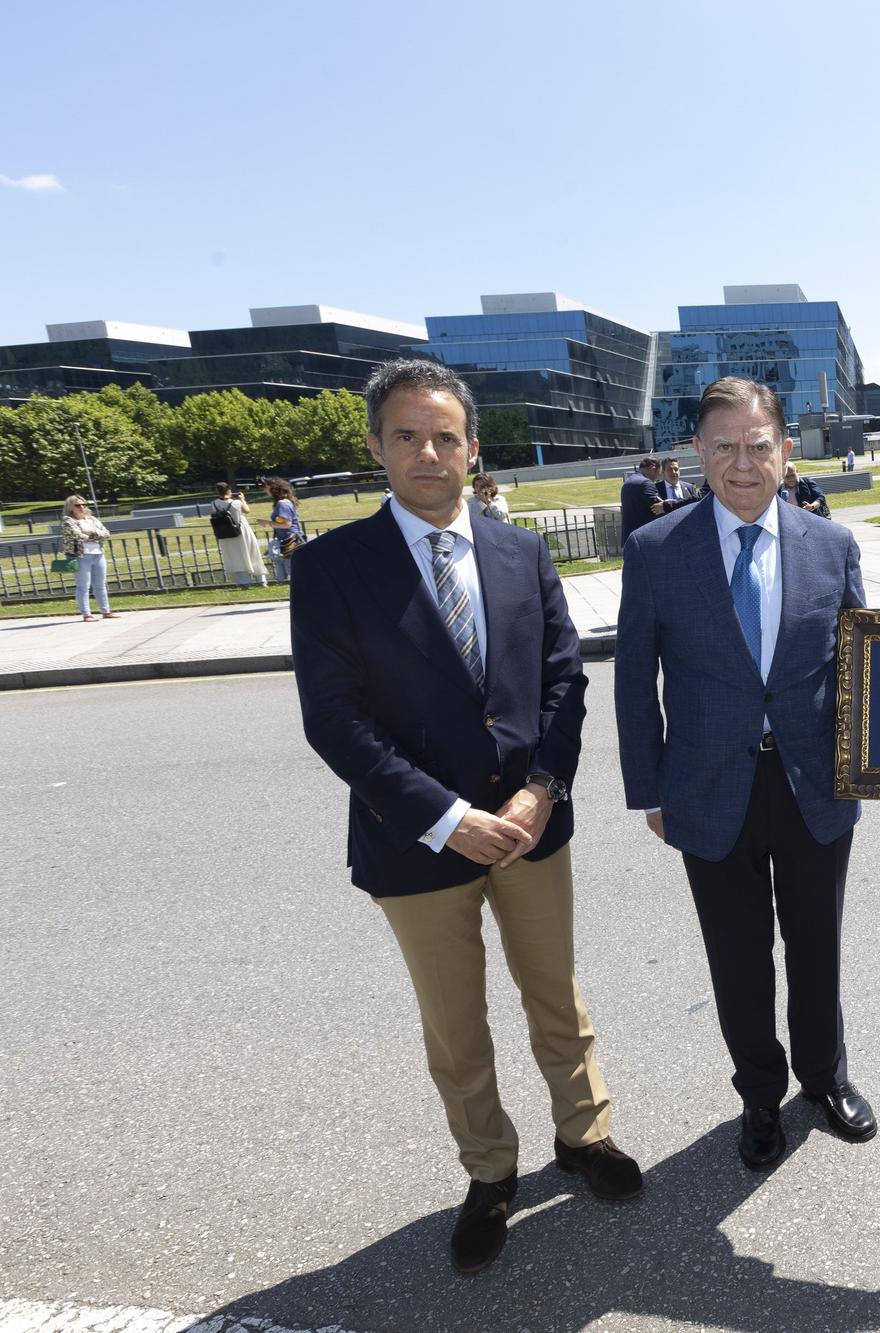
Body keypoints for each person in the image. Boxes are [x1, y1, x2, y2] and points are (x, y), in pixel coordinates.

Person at [289, 358, 641, 1276]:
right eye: (406, 435)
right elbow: (334, 718)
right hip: (417, 842)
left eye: (446, 436)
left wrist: (542, 789)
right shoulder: (330, 568)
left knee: (556, 993)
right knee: (456, 1023)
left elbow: (565, 680)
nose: (429, 453)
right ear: (377, 448)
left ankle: (585, 1134)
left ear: (472, 446)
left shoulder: (521, 551)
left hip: (531, 828)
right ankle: (490, 1173)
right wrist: (446, 817)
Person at [615, 376, 880, 1173]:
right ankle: (758, 1093)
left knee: (816, 943)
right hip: (707, 791)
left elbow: (862, 667)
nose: (742, 463)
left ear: (787, 451)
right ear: (698, 452)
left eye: (759, 445)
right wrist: (648, 787)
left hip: (815, 784)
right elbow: (632, 679)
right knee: (737, 956)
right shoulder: (655, 551)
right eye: (724, 446)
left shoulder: (832, 545)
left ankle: (823, 1077)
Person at [59, 496, 117, 621]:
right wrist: (95, 534)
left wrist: (91, 534)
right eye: (77, 505)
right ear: (70, 507)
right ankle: (86, 614)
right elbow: (77, 535)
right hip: (81, 556)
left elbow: (106, 533)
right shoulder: (68, 520)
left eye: (84, 504)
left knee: (100, 584)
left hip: (98, 554)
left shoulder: (92, 519)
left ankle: (106, 611)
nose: (82, 507)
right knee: (83, 586)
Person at [211, 482, 267, 587]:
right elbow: (247, 510)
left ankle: (243, 582)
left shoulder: (214, 503)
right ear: (229, 491)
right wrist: (242, 499)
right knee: (251, 552)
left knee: (235, 557)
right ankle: (261, 579)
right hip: (241, 530)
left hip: (225, 533)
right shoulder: (236, 502)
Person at [263, 477, 306, 583]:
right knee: (294, 570)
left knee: (293, 571)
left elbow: (287, 524)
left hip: (291, 541)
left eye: (266, 487)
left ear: (273, 489)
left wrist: (267, 523)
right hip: (290, 540)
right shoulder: (284, 502)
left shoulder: (282, 503)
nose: (265, 490)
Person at [620, 456, 666, 545]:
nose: (656, 478)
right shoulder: (646, 483)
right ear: (653, 469)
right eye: (657, 474)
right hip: (644, 539)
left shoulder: (628, 482)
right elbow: (660, 509)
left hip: (629, 538)